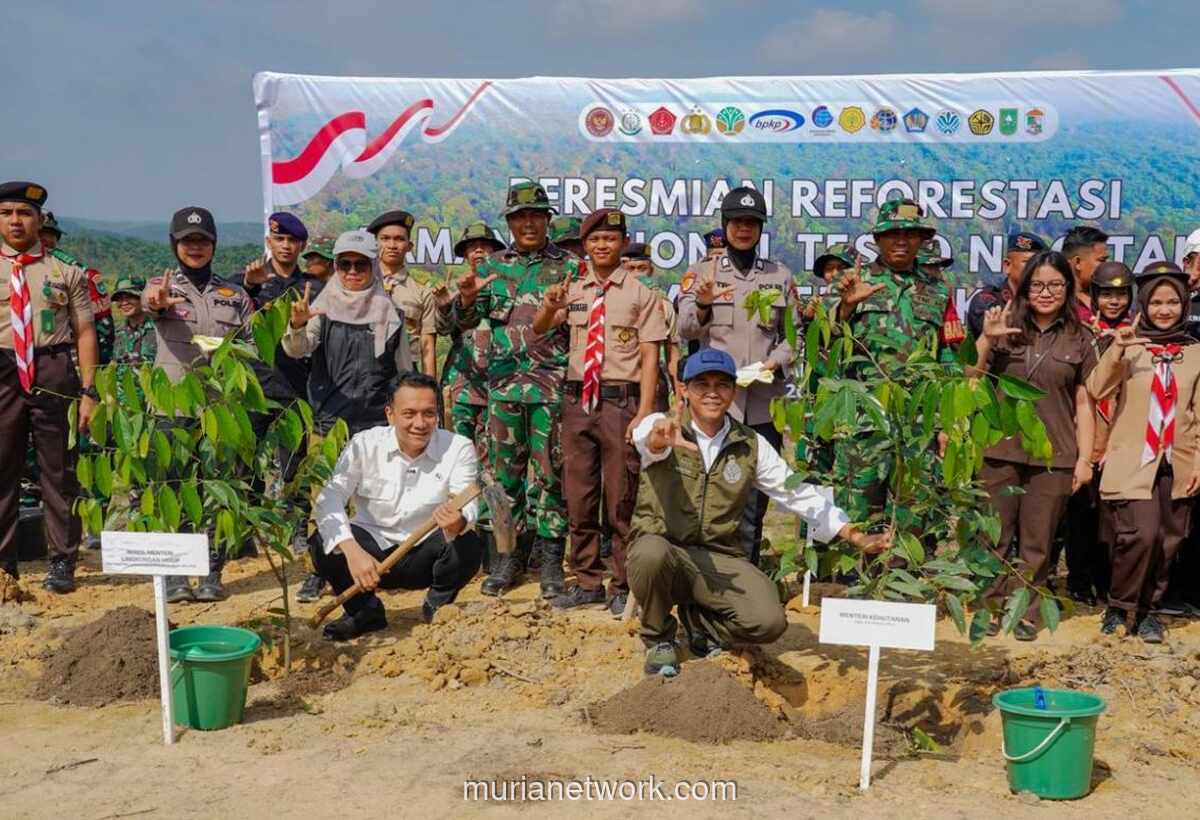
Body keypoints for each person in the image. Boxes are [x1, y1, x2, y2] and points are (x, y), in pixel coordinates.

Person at [627, 349, 890, 675]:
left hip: (718, 559)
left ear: (733, 392)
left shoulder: (750, 444)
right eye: (701, 384)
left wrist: (855, 535)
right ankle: (659, 640)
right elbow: (645, 439)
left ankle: (702, 626)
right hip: (666, 552)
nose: (712, 392)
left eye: (722, 384)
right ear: (684, 390)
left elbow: (796, 493)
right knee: (649, 552)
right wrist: (657, 442)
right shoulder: (665, 429)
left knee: (769, 622)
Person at [534, 209, 667, 614]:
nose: (602, 245)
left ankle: (622, 583)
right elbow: (542, 327)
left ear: (623, 242)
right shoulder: (573, 288)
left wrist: (644, 411)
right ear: (585, 245)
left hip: (619, 402)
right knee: (579, 495)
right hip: (578, 402)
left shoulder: (641, 294)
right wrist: (547, 304)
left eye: (610, 238)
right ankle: (587, 579)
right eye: (594, 240)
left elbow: (650, 355)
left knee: (620, 498)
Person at [452, 181, 581, 597]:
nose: (528, 223)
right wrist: (467, 300)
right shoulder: (492, 267)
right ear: (509, 222)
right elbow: (468, 323)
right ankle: (507, 559)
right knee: (503, 478)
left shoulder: (570, 267)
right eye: (519, 216)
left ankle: (550, 565)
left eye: (536, 215)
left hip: (550, 389)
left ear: (547, 220)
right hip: (503, 389)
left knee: (550, 477)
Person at [972, 250, 1096, 641]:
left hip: (1054, 454)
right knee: (992, 535)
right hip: (998, 449)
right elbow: (970, 378)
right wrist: (986, 341)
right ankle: (988, 608)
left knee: (1037, 542)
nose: (1046, 293)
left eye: (1055, 285)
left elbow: (1084, 401)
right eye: (1037, 284)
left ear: (1068, 288)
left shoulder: (1081, 337)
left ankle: (1023, 612)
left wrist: (1085, 460)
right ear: (1025, 288)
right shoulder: (1005, 325)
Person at [309, 372, 484, 641]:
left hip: (426, 553)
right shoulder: (364, 444)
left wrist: (458, 520)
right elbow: (329, 499)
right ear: (390, 414)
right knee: (324, 541)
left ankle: (438, 605)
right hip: (371, 557)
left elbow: (468, 503)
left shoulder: (458, 447)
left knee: (468, 541)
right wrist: (352, 550)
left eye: (428, 414)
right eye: (409, 414)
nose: (419, 423)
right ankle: (363, 612)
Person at [677, 187, 799, 565]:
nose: (744, 229)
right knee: (707, 490)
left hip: (763, 405)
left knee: (753, 496)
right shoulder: (701, 272)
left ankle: (746, 572)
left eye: (752, 223)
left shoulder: (779, 275)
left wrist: (773, 363)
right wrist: (703, 303)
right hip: (715, 406)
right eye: (737, 222)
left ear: (761, 228)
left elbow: (792, 339)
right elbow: (684, 330)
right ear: (725, 225)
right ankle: (704, 570)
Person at [143, 207, 254, 602]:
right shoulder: (160, 285)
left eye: (202, 241)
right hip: (173, 405)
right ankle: (176, 574)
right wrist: (157, 301)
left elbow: (250, 346)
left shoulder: (235, 295)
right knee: (173, 485)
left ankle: (212, 571)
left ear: (213, 245)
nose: (195, 247)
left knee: (217, 487)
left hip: (219, 407)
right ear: (175, 244)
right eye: (187, 241)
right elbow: (151, 304)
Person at [831, 198, 966, 521]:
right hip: (864, 421)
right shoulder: (852, 282)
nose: (901, 241)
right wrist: (846, 307)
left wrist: (948, 423)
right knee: (856, 513)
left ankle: (908, 571)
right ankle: (852, 574)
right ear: (878, 239)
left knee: (915, 514)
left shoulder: (937, 288)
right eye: (892, 234)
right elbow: (825, 346)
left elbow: (946, 356)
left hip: (918, 423)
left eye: (910, 234)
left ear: (922, 240)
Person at [1087, 262, 1200, 643]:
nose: (1164, 310)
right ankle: (1120, 606)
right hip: (1134, 460)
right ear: (1144, 306)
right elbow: (1097, 389)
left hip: (1179, 461)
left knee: (1169, 540)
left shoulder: (1195, 353)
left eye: (1172, 303)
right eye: (1156, 303)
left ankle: (1150, 611)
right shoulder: (1130, 347)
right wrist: (1117, 350)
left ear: (1183, 305)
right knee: (1141, 535)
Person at [0, 182, 98, 594]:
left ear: (40, 220)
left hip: (53, 368)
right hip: (3, 369)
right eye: (6, 213)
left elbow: (86, 331)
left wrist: (90, 391)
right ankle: (5, 565)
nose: (15, 221)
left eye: (24, 213)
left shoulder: (65, 271)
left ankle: (62, 561)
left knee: (58, 470)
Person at [282, 229, 412, 436]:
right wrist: (297, 326)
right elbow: (297, 350)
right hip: (328, 426)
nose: (352, 271)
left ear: (374, 266)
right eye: (345, 264)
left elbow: (404, 372)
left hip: (379, 428)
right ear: (336, 267)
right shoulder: (322, 309)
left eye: (360, 265)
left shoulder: (391, 314)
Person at [435, 222, 507, 571]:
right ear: (463, 254)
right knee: (459, 469)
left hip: (500, 389)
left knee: (495, 469)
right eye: (471, 246)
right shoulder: (454, 289)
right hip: (464, 389)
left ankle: (496, 548)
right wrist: (445, 304)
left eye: (486, 246)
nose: (478, 251)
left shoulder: (507, 287)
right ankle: (460, 544)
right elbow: (446, 328)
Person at [1064, 262, 1135, 606]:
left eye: (1121, 294)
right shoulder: (1079, 332)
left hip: (1121, 434)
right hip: (1085, 429)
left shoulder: (1136, 334)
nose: (1114, 301)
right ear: (1094, 296)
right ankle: (1078, 581)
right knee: (1080, 514)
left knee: (1113, 519)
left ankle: (1108, 581)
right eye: (1107, 293)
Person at [39, 210, 114, 364]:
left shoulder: (82, 275)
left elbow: (103, 330)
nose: (44, 239)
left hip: (66, 360)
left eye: (50, 234)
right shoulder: (11, 270)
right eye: (39, 232)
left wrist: (93, 372)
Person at [369, 210, 436, 376]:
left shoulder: (422, 292)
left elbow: (427, 344)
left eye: (399, 239)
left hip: (406, 371)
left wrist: (430, 386)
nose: (392, 245)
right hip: (365, 369)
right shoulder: (358, 285)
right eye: (385, 238)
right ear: (375, 243)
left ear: (409, 246)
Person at [966, 232, 1047, 339]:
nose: (1035, 269)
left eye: (1040, 264)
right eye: (1028, 262)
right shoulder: (989, 302)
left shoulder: (1048, 301)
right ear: (1007, 266)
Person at [1061, 226, 1110, 324]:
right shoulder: (1055, 301)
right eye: (1102, 260)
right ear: (1078, 262)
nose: (1107, 266)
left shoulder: (1112, 300)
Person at [111, 275, 156, 379]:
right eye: (120, 299)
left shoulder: (160, 329)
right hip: (124, 393)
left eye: (130, 297)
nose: (124, 303)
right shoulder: (118, 332)